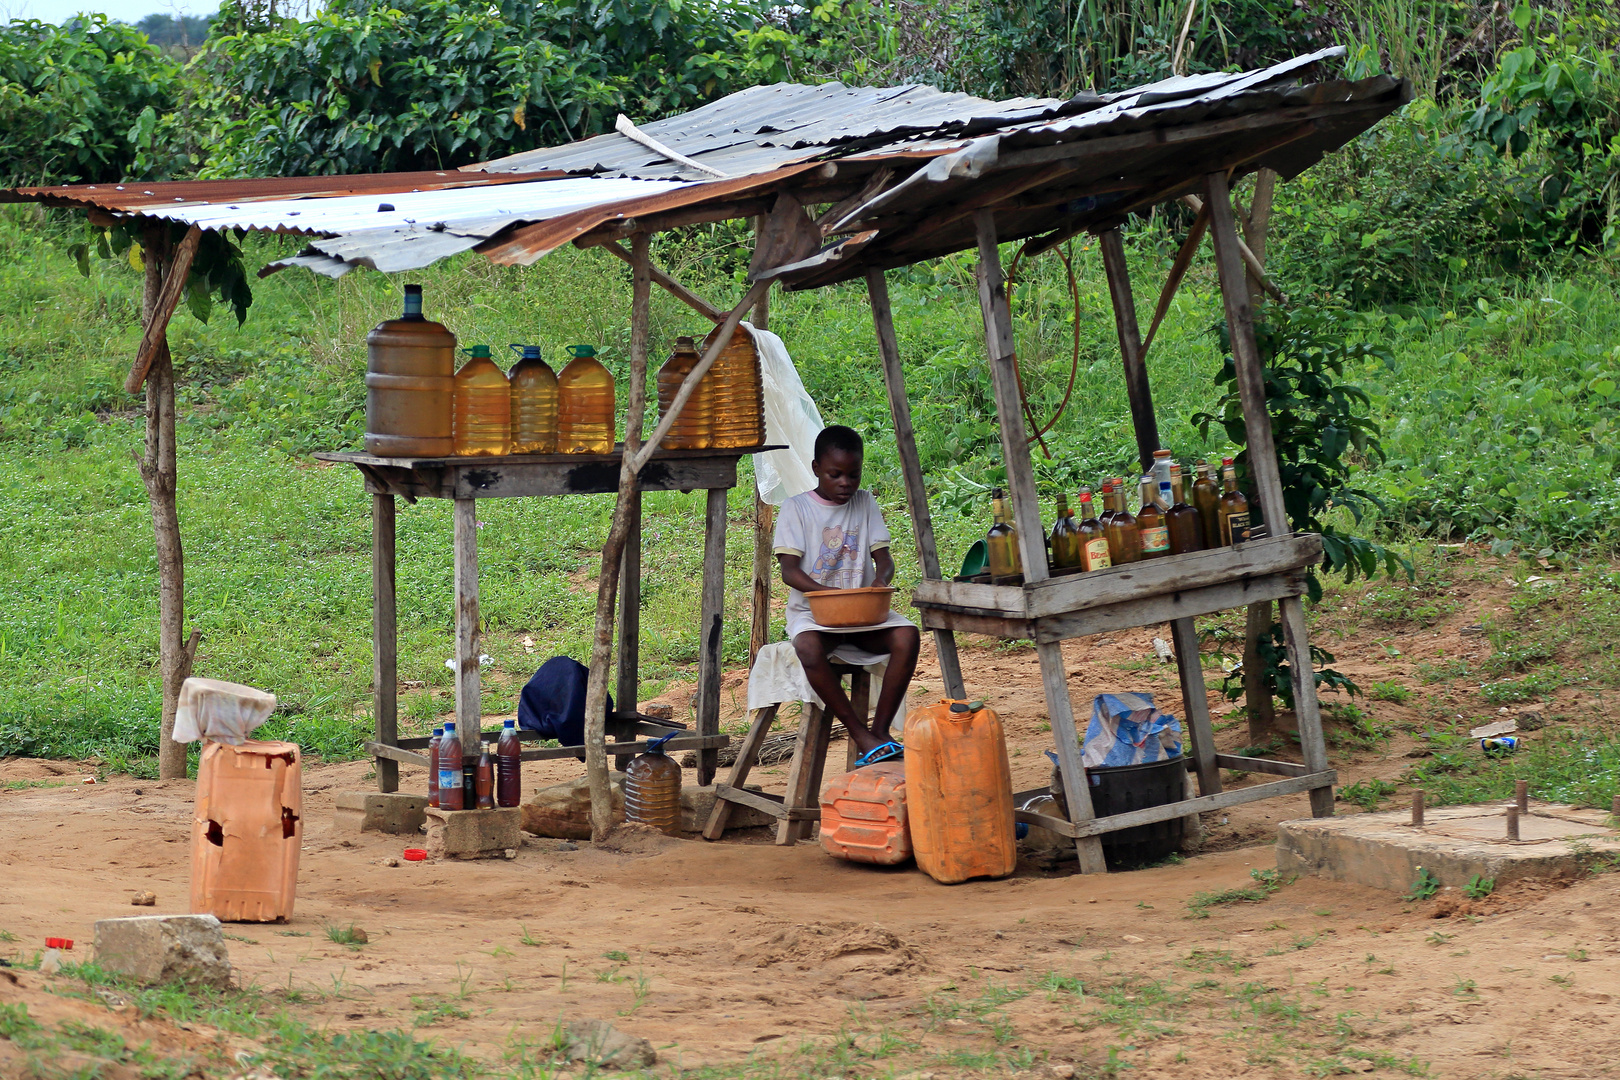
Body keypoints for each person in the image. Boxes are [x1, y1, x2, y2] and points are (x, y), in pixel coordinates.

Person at [773, 425, 921, 766]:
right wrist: (830, 596)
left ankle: (881, 731)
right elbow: (789, 571)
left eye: (853, 475)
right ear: (815, 469)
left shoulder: (865, 502)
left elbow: (883, 558)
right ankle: (860, 733)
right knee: (807, 647)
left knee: (906, 636)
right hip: (815, 616)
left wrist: (880, 581)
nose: (845, 483)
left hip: (864, 615)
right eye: (835, 474)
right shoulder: (796, 509)